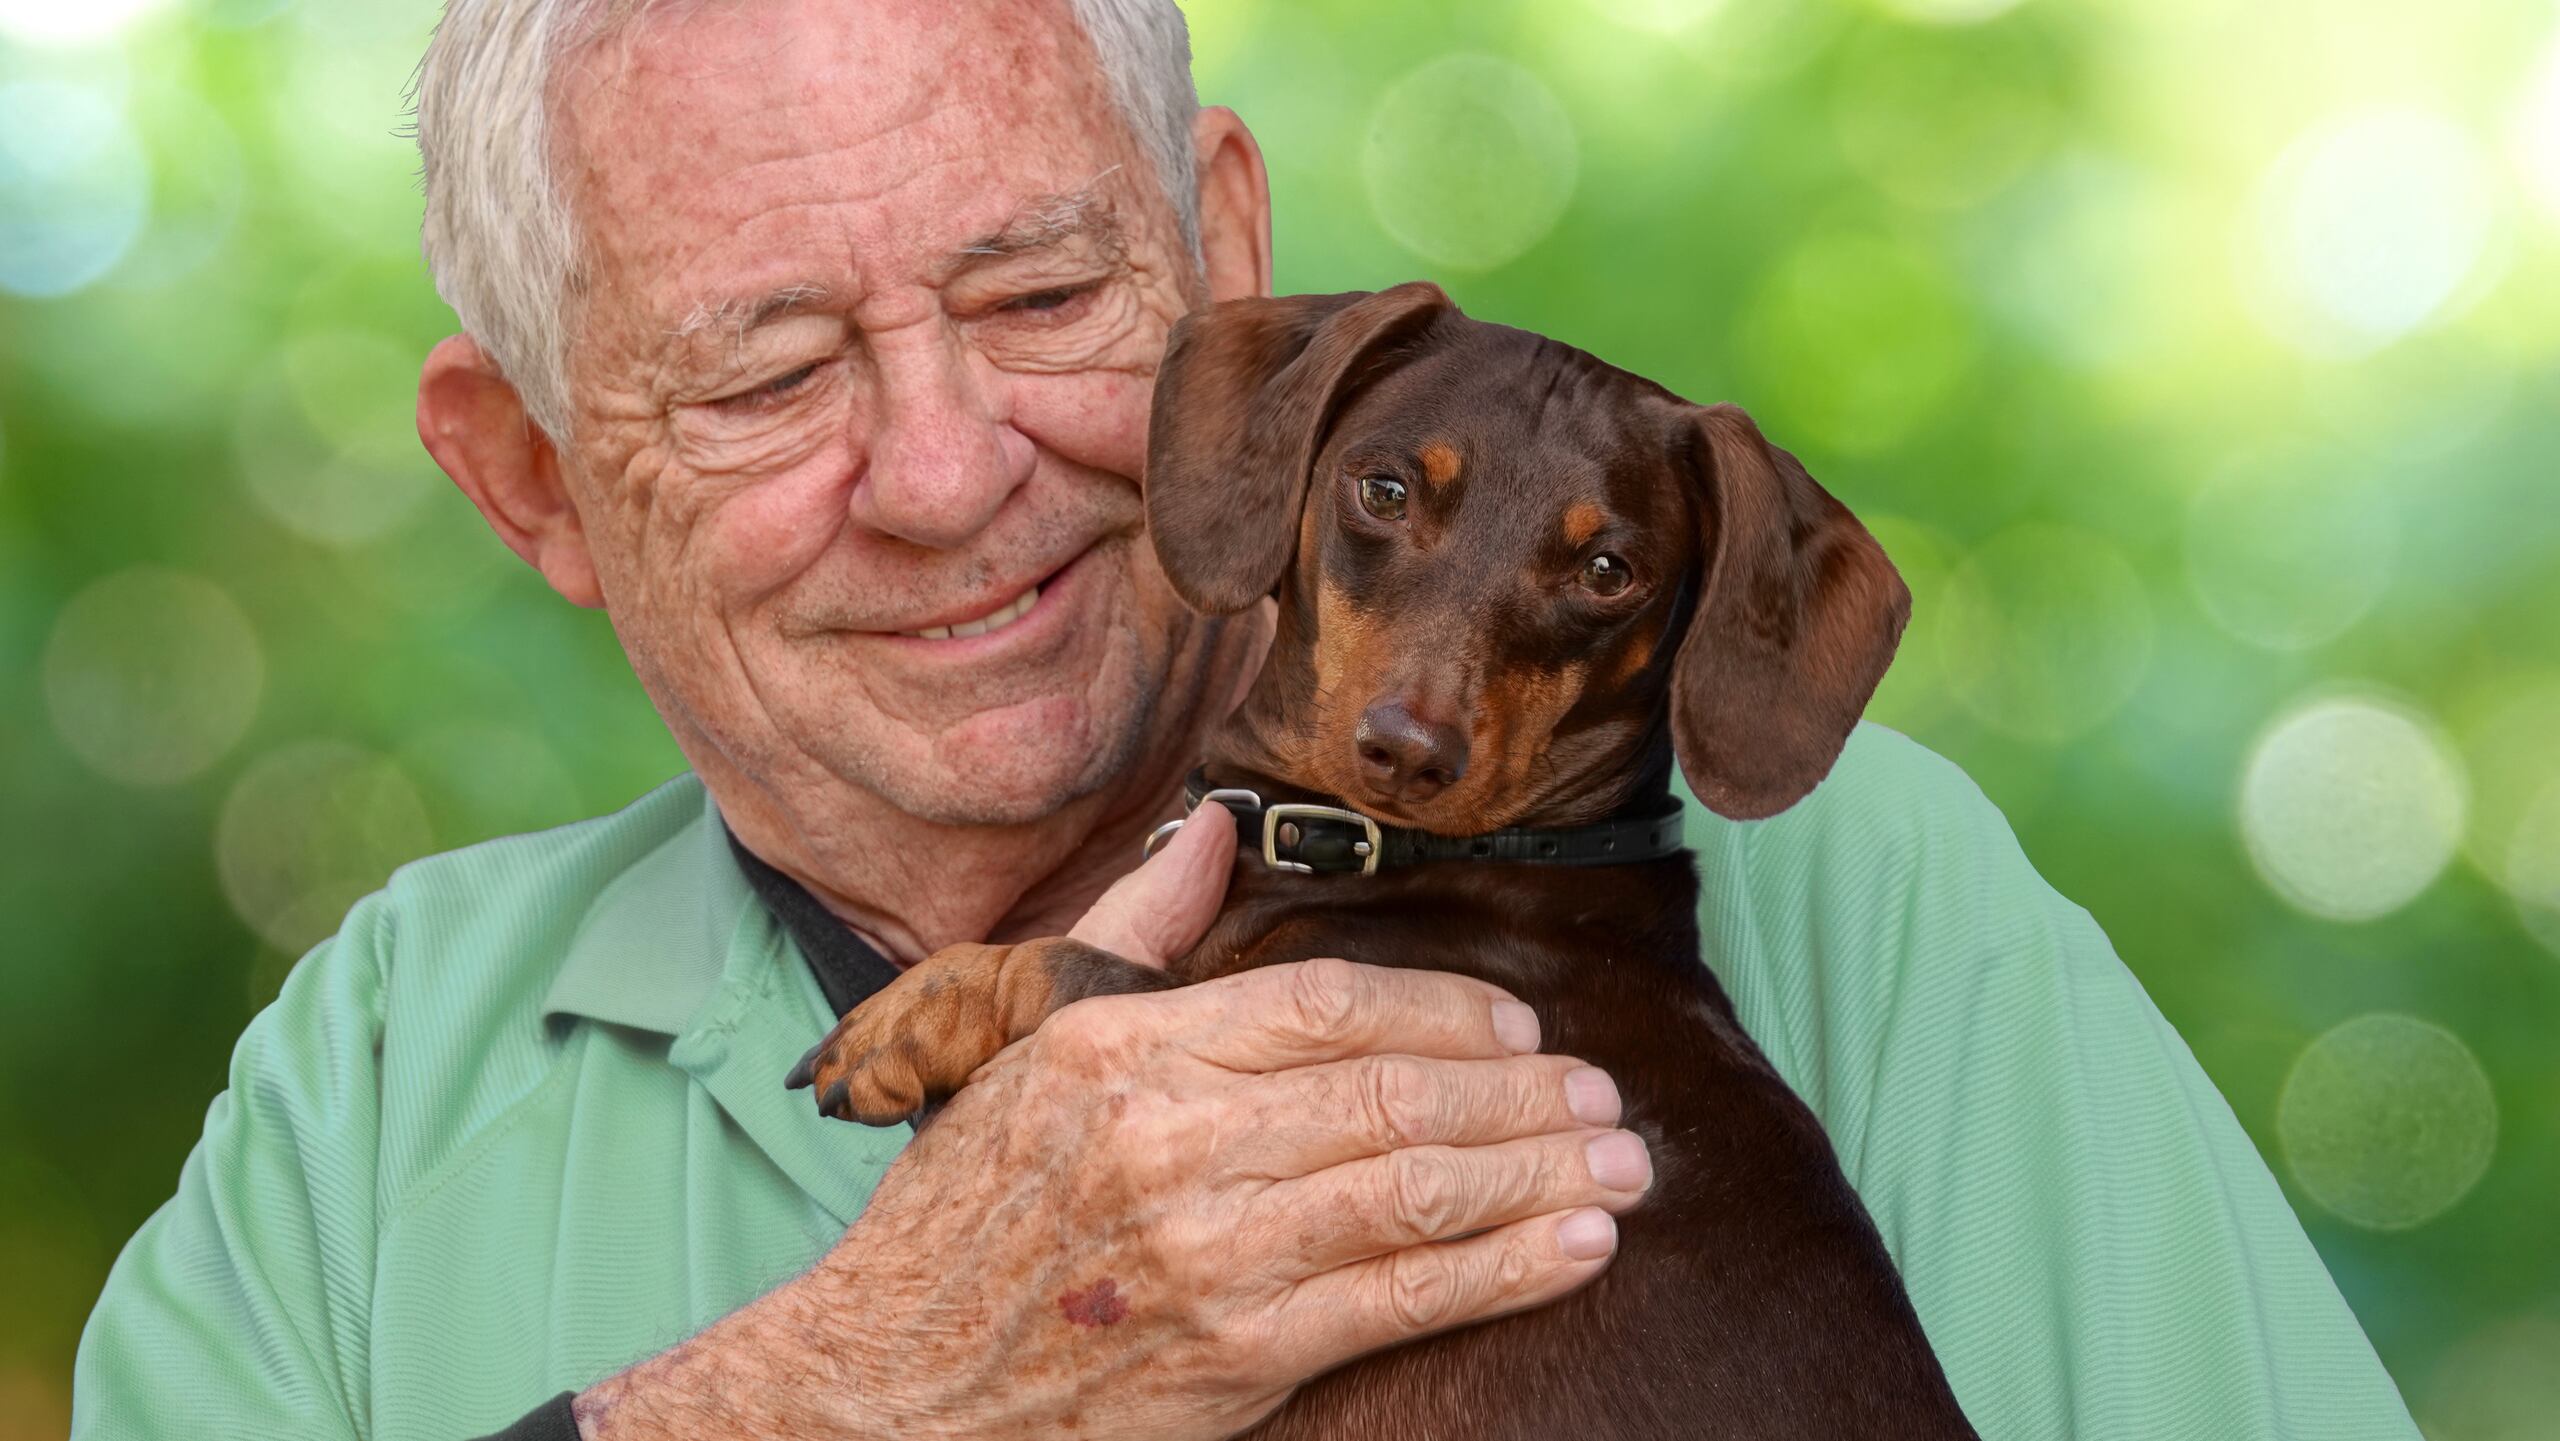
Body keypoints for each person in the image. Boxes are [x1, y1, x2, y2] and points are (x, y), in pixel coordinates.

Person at [70, 0, 2422, 1437]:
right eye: (770, 371)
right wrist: (851, 1399)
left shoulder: (1855, 908)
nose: (947, 469)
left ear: (1221, 259)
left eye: (1037, 288)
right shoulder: (372, 1089)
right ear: (532, 482)